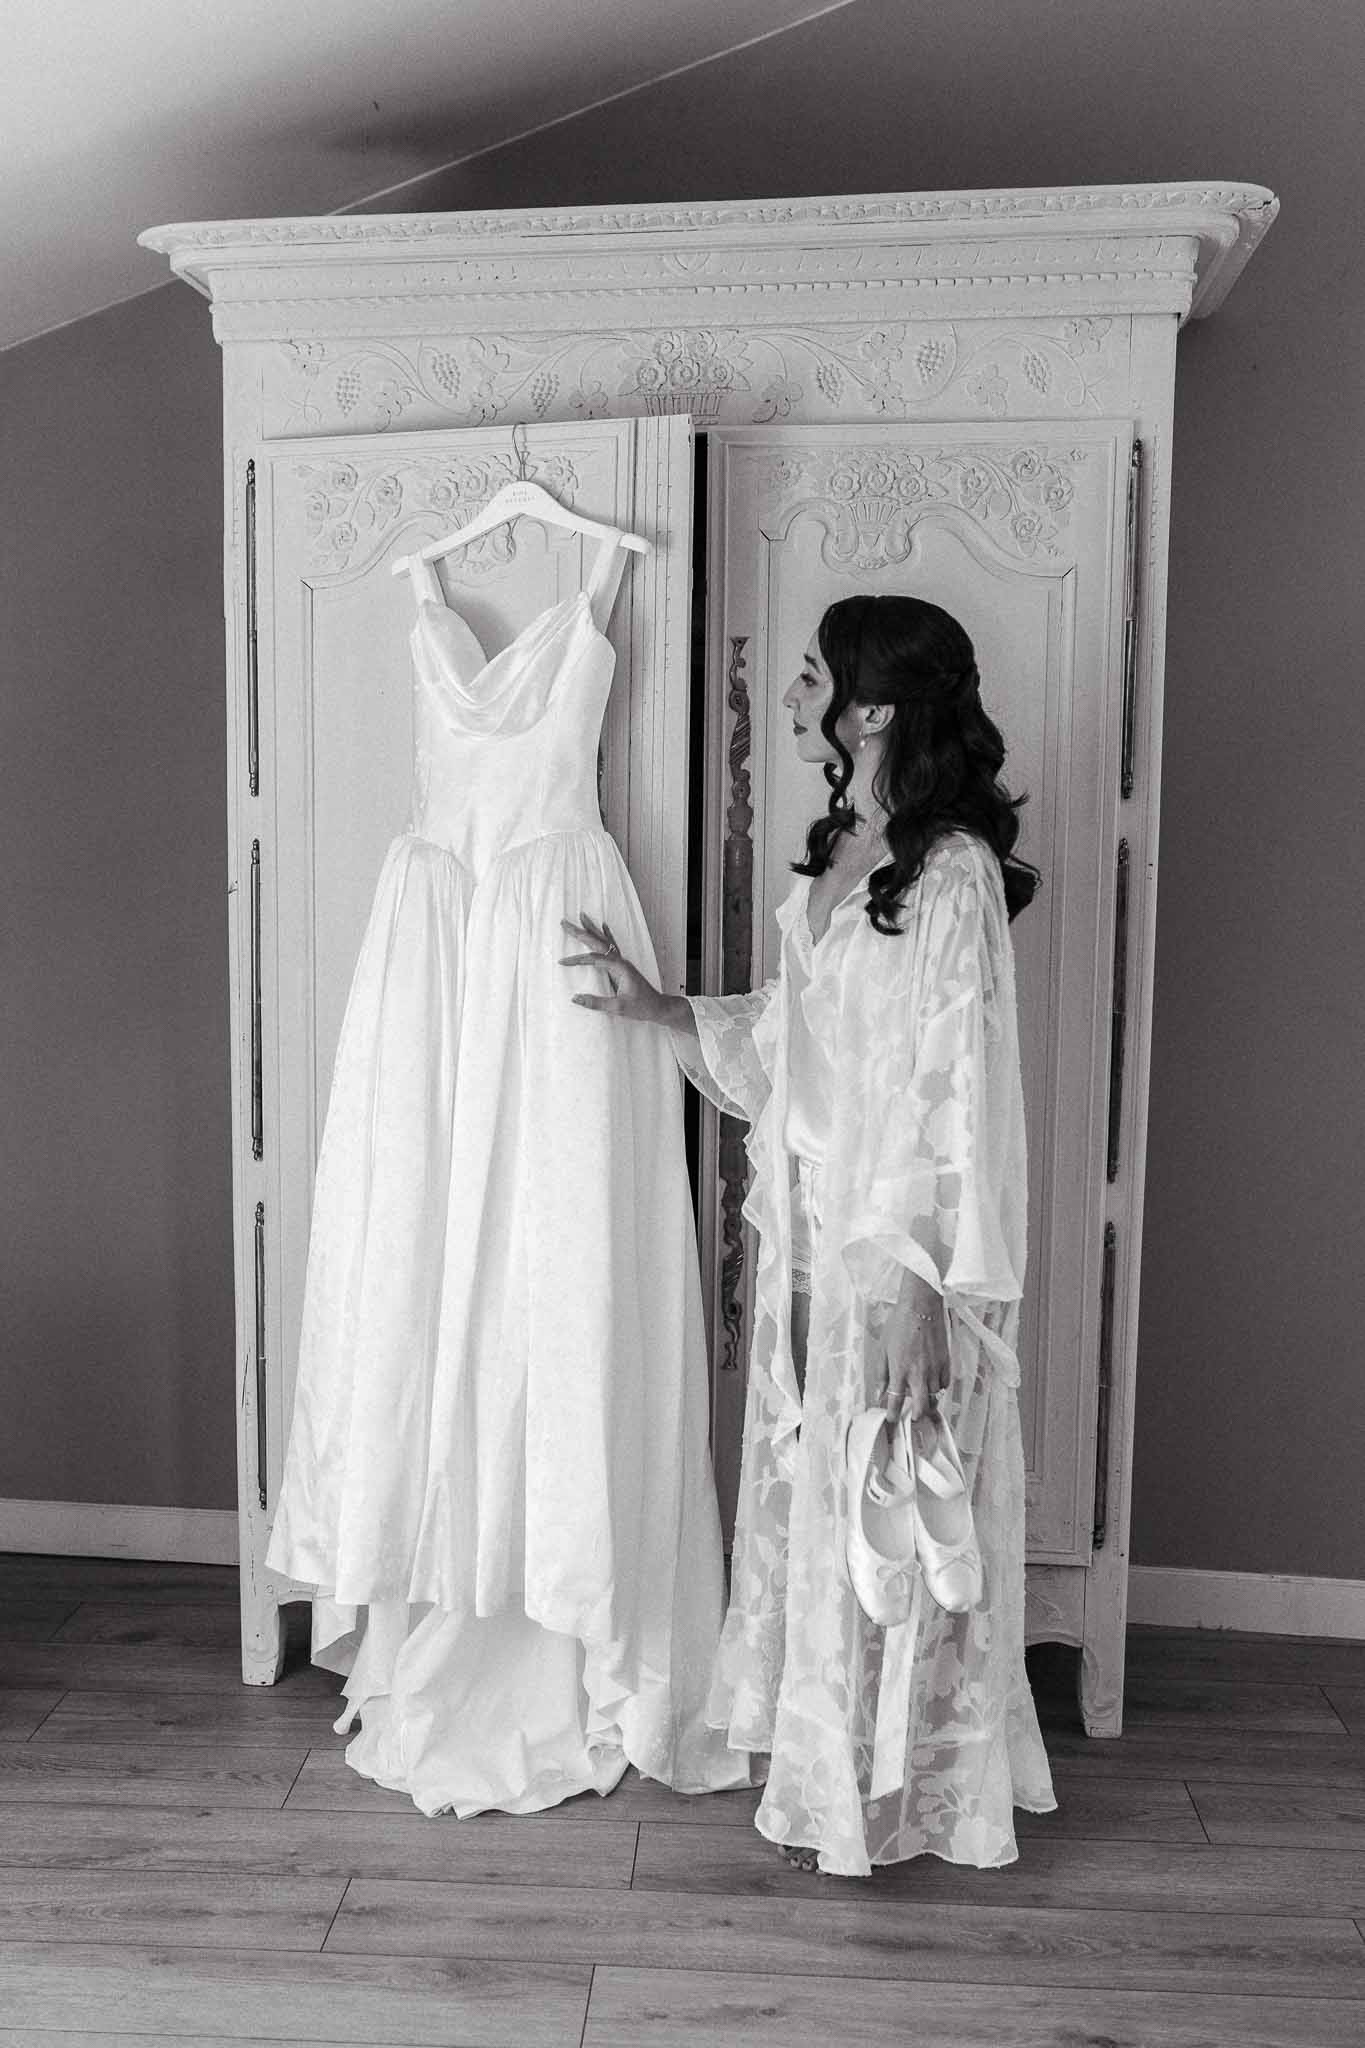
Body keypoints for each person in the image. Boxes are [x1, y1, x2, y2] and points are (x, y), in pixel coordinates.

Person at [560, 592, 1057, 1876]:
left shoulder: (948, 874)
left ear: (871, 705)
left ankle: (912, 1796)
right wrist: (662, 1006)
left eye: (806, 677)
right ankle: (831, 1768)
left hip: (900, 1255)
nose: (790, 697)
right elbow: (800, 1040)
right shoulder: (841, 846)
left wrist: (915, 1282)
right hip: (809, 1236)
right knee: (830, 1501)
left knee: (901, 1508)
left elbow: (958, 1086)